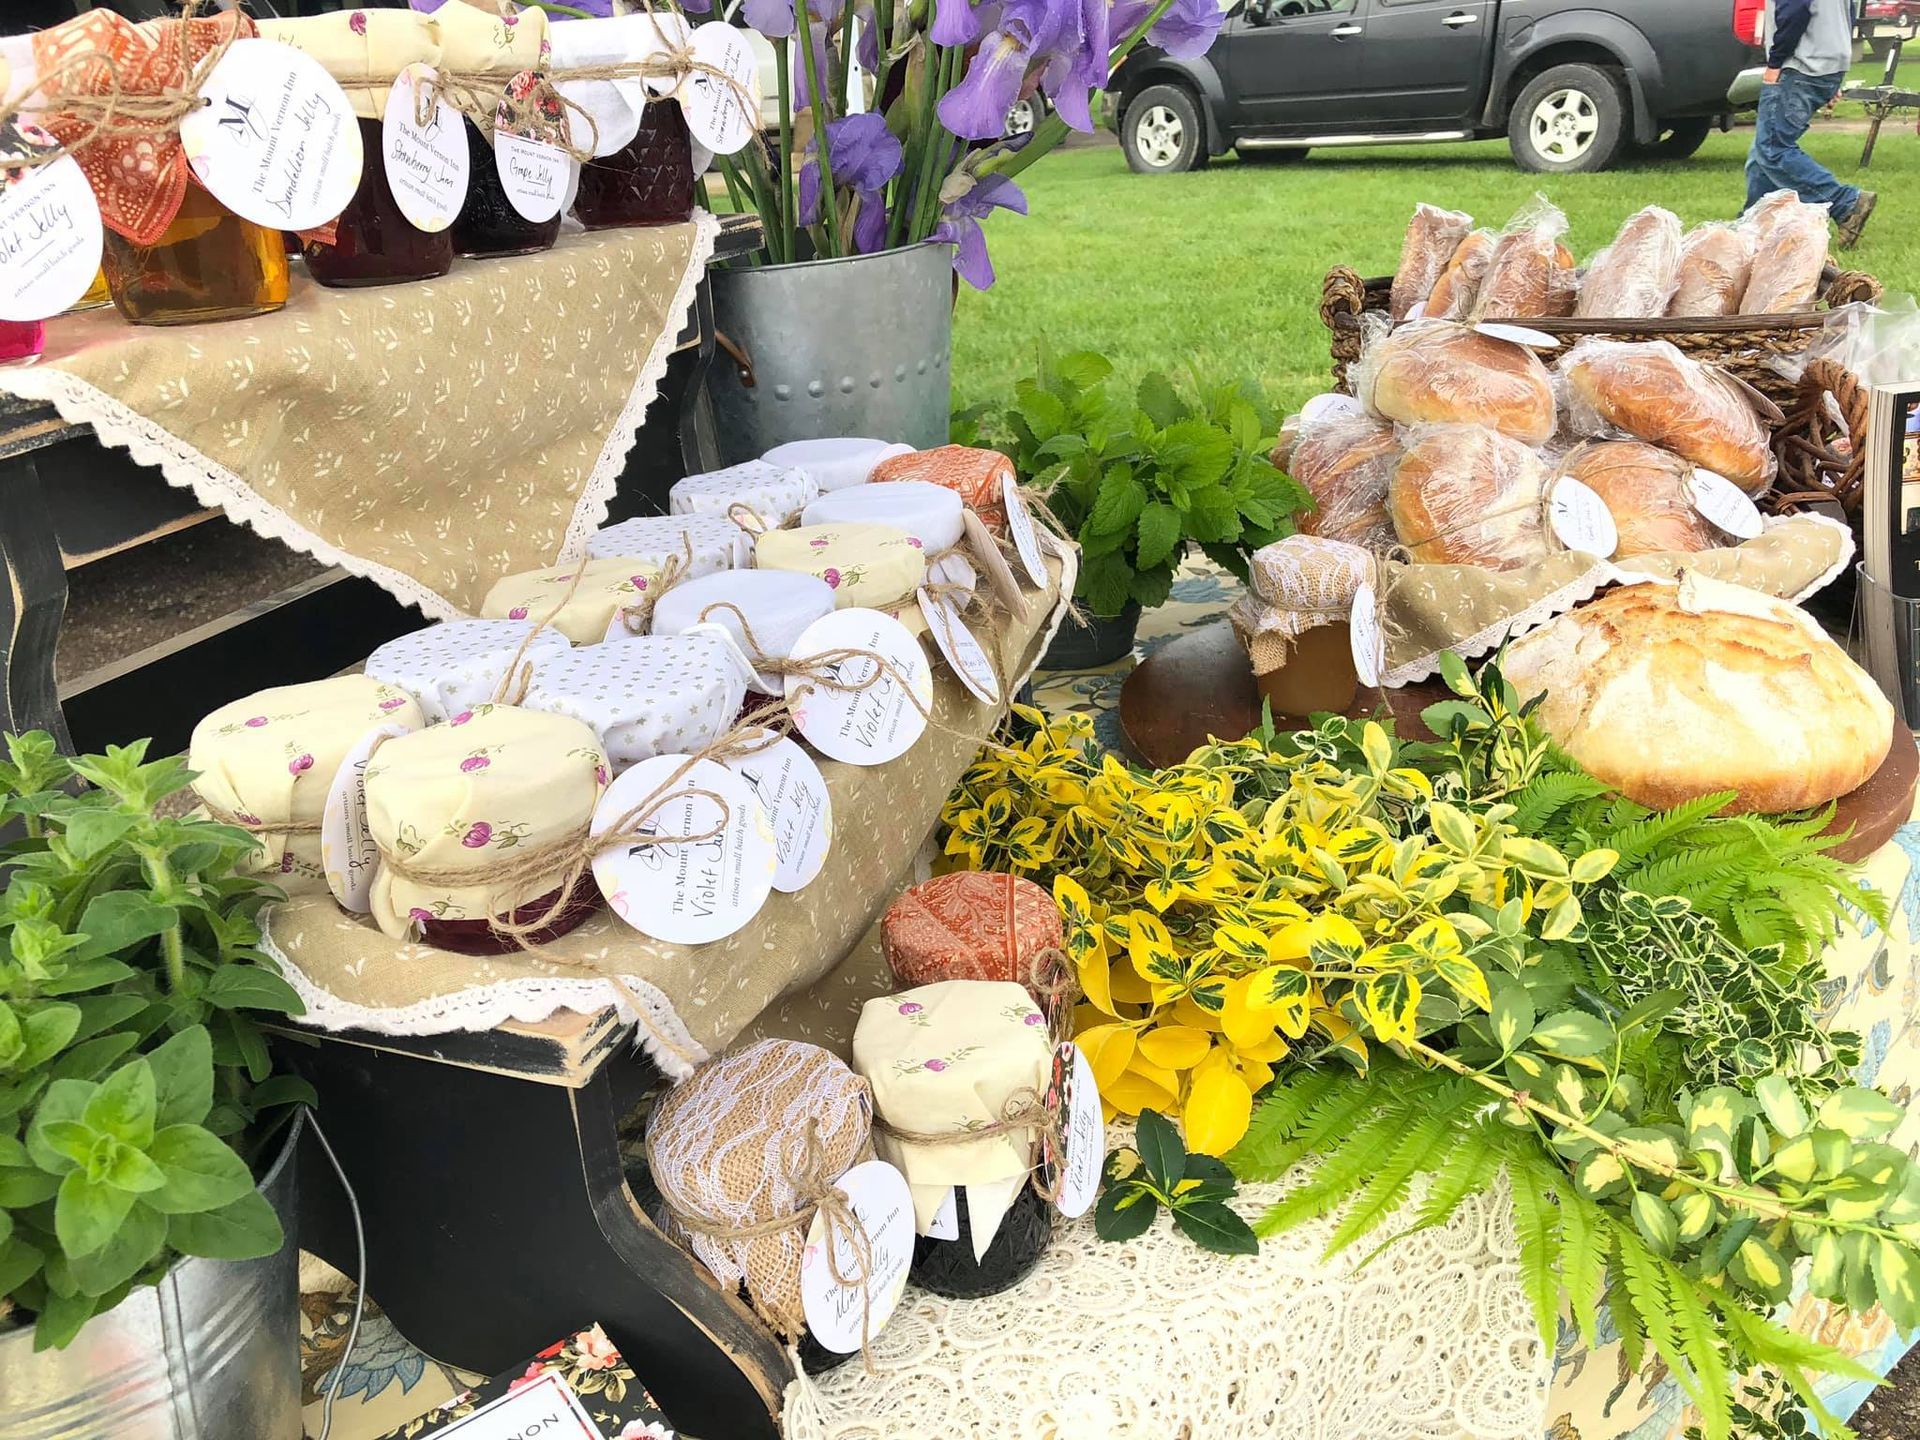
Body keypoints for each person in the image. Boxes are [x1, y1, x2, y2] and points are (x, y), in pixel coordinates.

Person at [1745, 0, 1877, 247]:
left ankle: (1845, 202)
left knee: (1773, 150)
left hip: (1800, 65)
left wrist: (1775, 62)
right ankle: (1755, 224)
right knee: (1763, 148)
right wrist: (1834, 73)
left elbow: (1794, 10)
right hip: (1830, 63)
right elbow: (1849, 13)